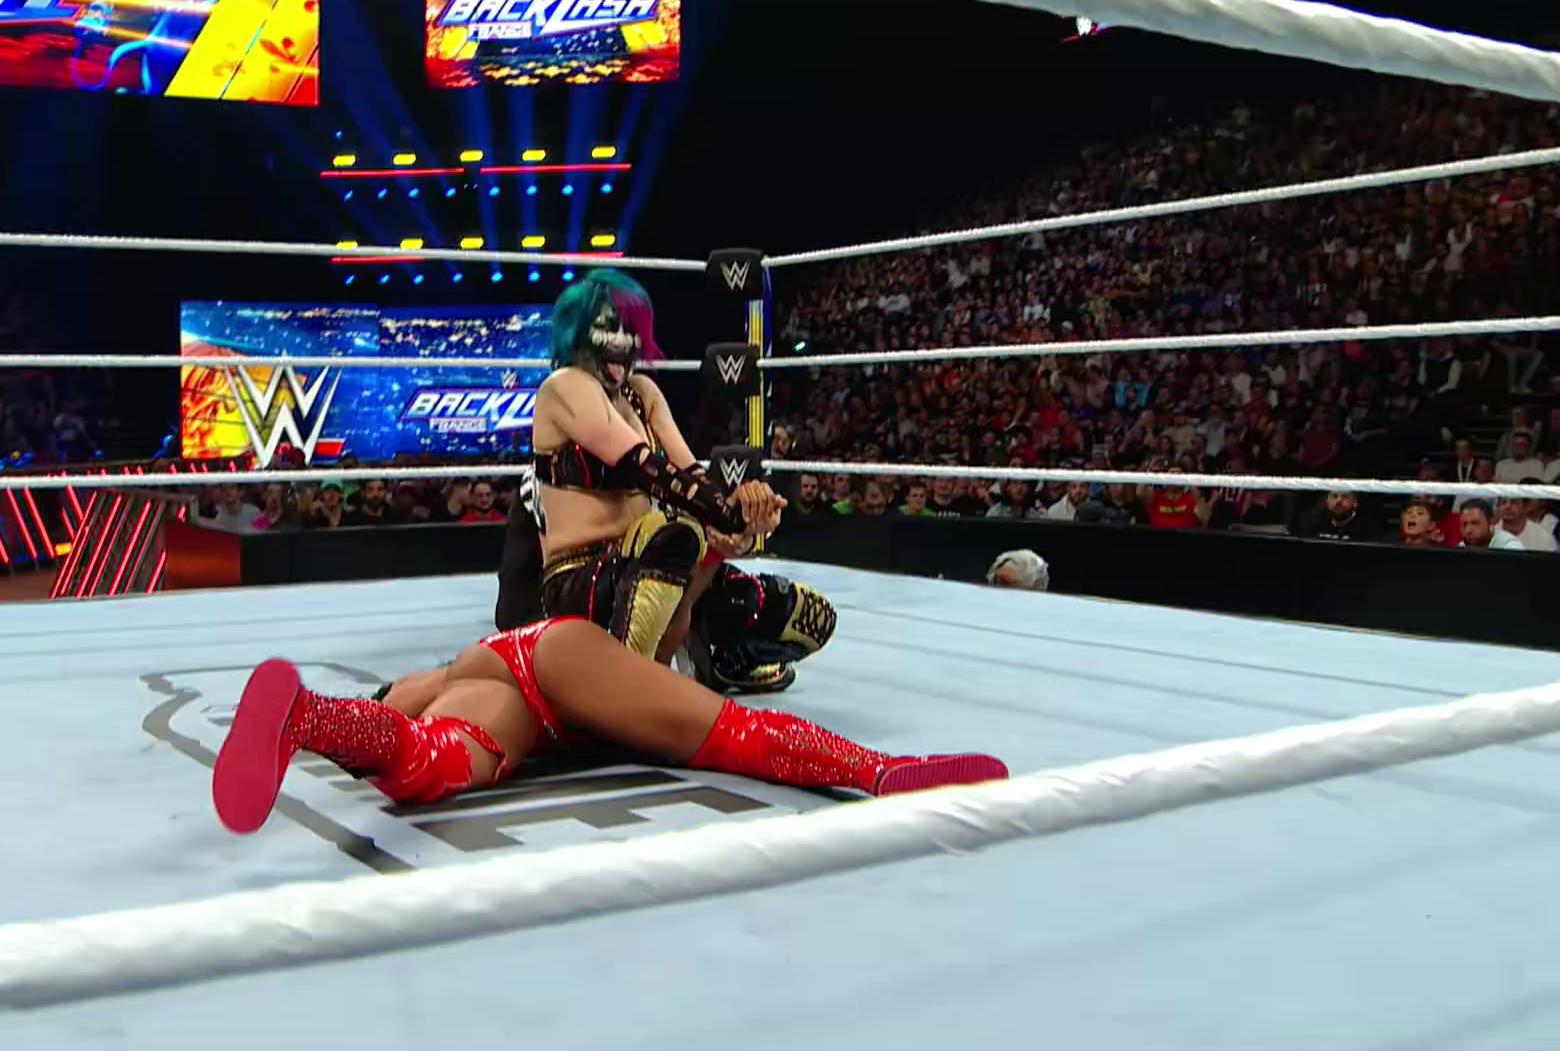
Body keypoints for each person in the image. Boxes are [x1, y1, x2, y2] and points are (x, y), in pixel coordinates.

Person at [212, 616, 1009, 832]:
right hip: (539, 671)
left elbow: (393, 723)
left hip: (527, 669)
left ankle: (314, 717)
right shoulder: (437, 686)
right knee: (430, 766)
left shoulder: (424, 689)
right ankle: (877, 768)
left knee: (426, 758)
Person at [494, 270, 835, 695]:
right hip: (582, 580)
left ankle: (719, 661)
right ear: (576, 331)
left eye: (632, 329)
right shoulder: (564, 386)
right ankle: (629, 690)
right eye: (608, 327)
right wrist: (725, 514)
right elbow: (645, 467)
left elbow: (691, 476)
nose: (622, 340)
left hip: (655, 569)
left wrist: (747, 515)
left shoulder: (642, 393)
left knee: (798, 614)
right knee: (676, 535)